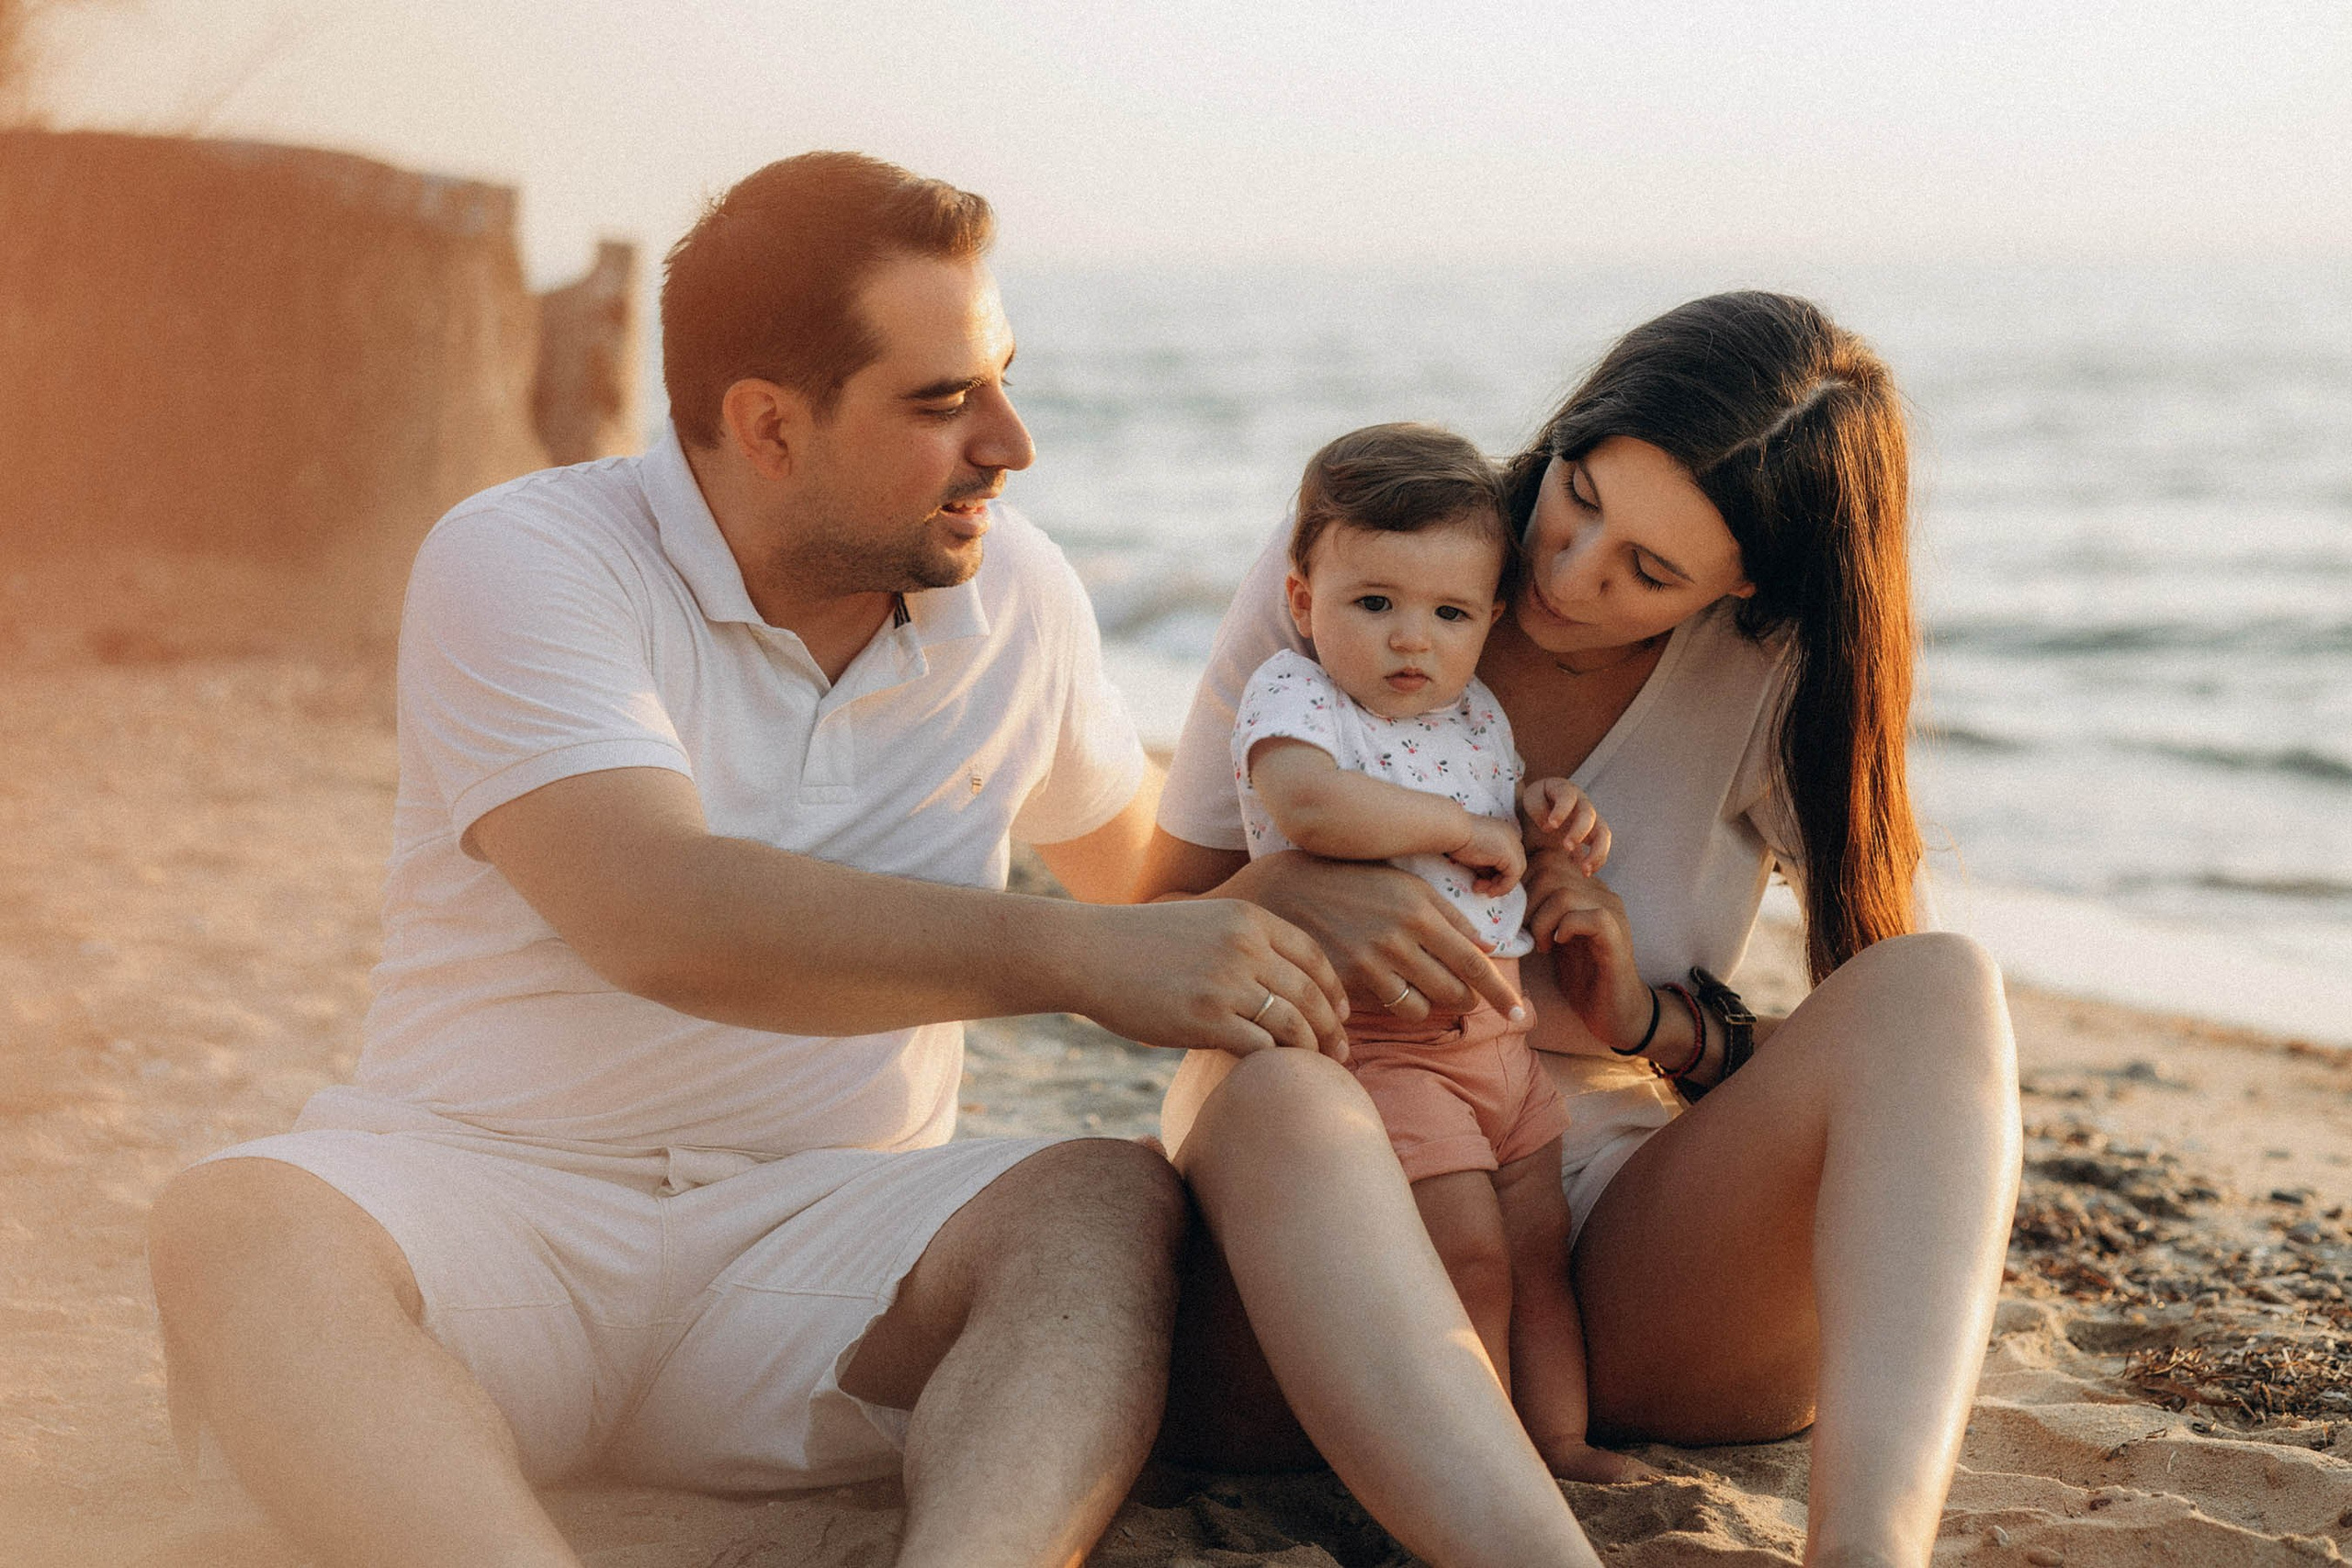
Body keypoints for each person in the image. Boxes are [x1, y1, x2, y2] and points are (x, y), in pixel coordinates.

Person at [141, 152, 1359, 1568]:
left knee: (1096, 1196)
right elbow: (652, 909)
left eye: (1003, 378)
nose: (1013, 443)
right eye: (944, 399)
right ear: (767, 425)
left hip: (823, 1246)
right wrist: (1074, 961)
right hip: (489, 1200)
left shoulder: (1018, 594)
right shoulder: (529, 557)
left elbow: (1154, 893)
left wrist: (1373, 814)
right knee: (240, 1218)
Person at [1144, 293, 2021, 1568]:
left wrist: (1647, 1021)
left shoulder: (1775, 675)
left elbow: (1876, 1085)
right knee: (1292, 1102)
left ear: (1748, 585)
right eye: (1580, 494)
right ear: (1565, 432)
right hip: (1329, 1204)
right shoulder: (1376, 561)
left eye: (1648, 572)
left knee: (1938, 986)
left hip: (1613, 1240)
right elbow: (1147, 939)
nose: (1564, 570)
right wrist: (1289, 896)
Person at [1228, 422, 1649, 1484]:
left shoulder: (1476, 714)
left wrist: (1538, 806)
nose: (1410, 640)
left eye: (1449, 613)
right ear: (1300, 598)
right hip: (1383, 1043)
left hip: (1501, 1044)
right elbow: (1312, 807)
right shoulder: (1298, 697)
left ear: (1489, 619)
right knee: (1462, 1256)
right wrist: (1464, 832)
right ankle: (1470, 1466)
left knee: (1536, 1256)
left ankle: (1556, 1442)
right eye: (1373, 603)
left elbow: (1496, 811)